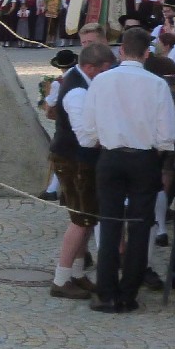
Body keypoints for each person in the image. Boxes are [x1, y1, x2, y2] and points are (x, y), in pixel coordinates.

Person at [72, 26, 175, 314]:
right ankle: (129, 293)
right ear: (147, 54)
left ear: (121, 51)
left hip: (110, 157)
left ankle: (106, 292)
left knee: (109, 224)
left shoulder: (101, 81)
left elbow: (88, 130)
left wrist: (103, 137)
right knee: (141, 226)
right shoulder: (157, 84)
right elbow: (167, 134)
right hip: (143, 158)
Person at [46, 41, 115, 300]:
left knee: (87, 218)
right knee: (80, 219)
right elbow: (85, 137)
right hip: (74, 159)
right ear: (90, 67)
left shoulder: (82, 81)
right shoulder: (77, 91)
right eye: (105, 70)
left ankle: (76, 273)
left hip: (79, 159)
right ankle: (61, 279)